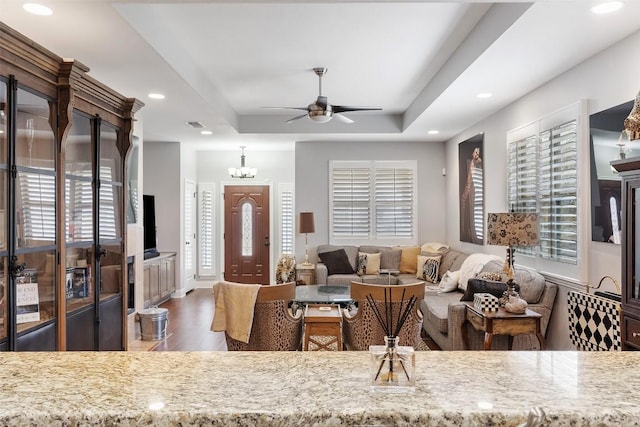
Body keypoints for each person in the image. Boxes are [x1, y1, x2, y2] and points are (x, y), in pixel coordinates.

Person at [460, 147, 483, 244]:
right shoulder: (471, 164)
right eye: (475, 152)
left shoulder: (478, 164)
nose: (476, 155)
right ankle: (465, 231)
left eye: (478, 153)